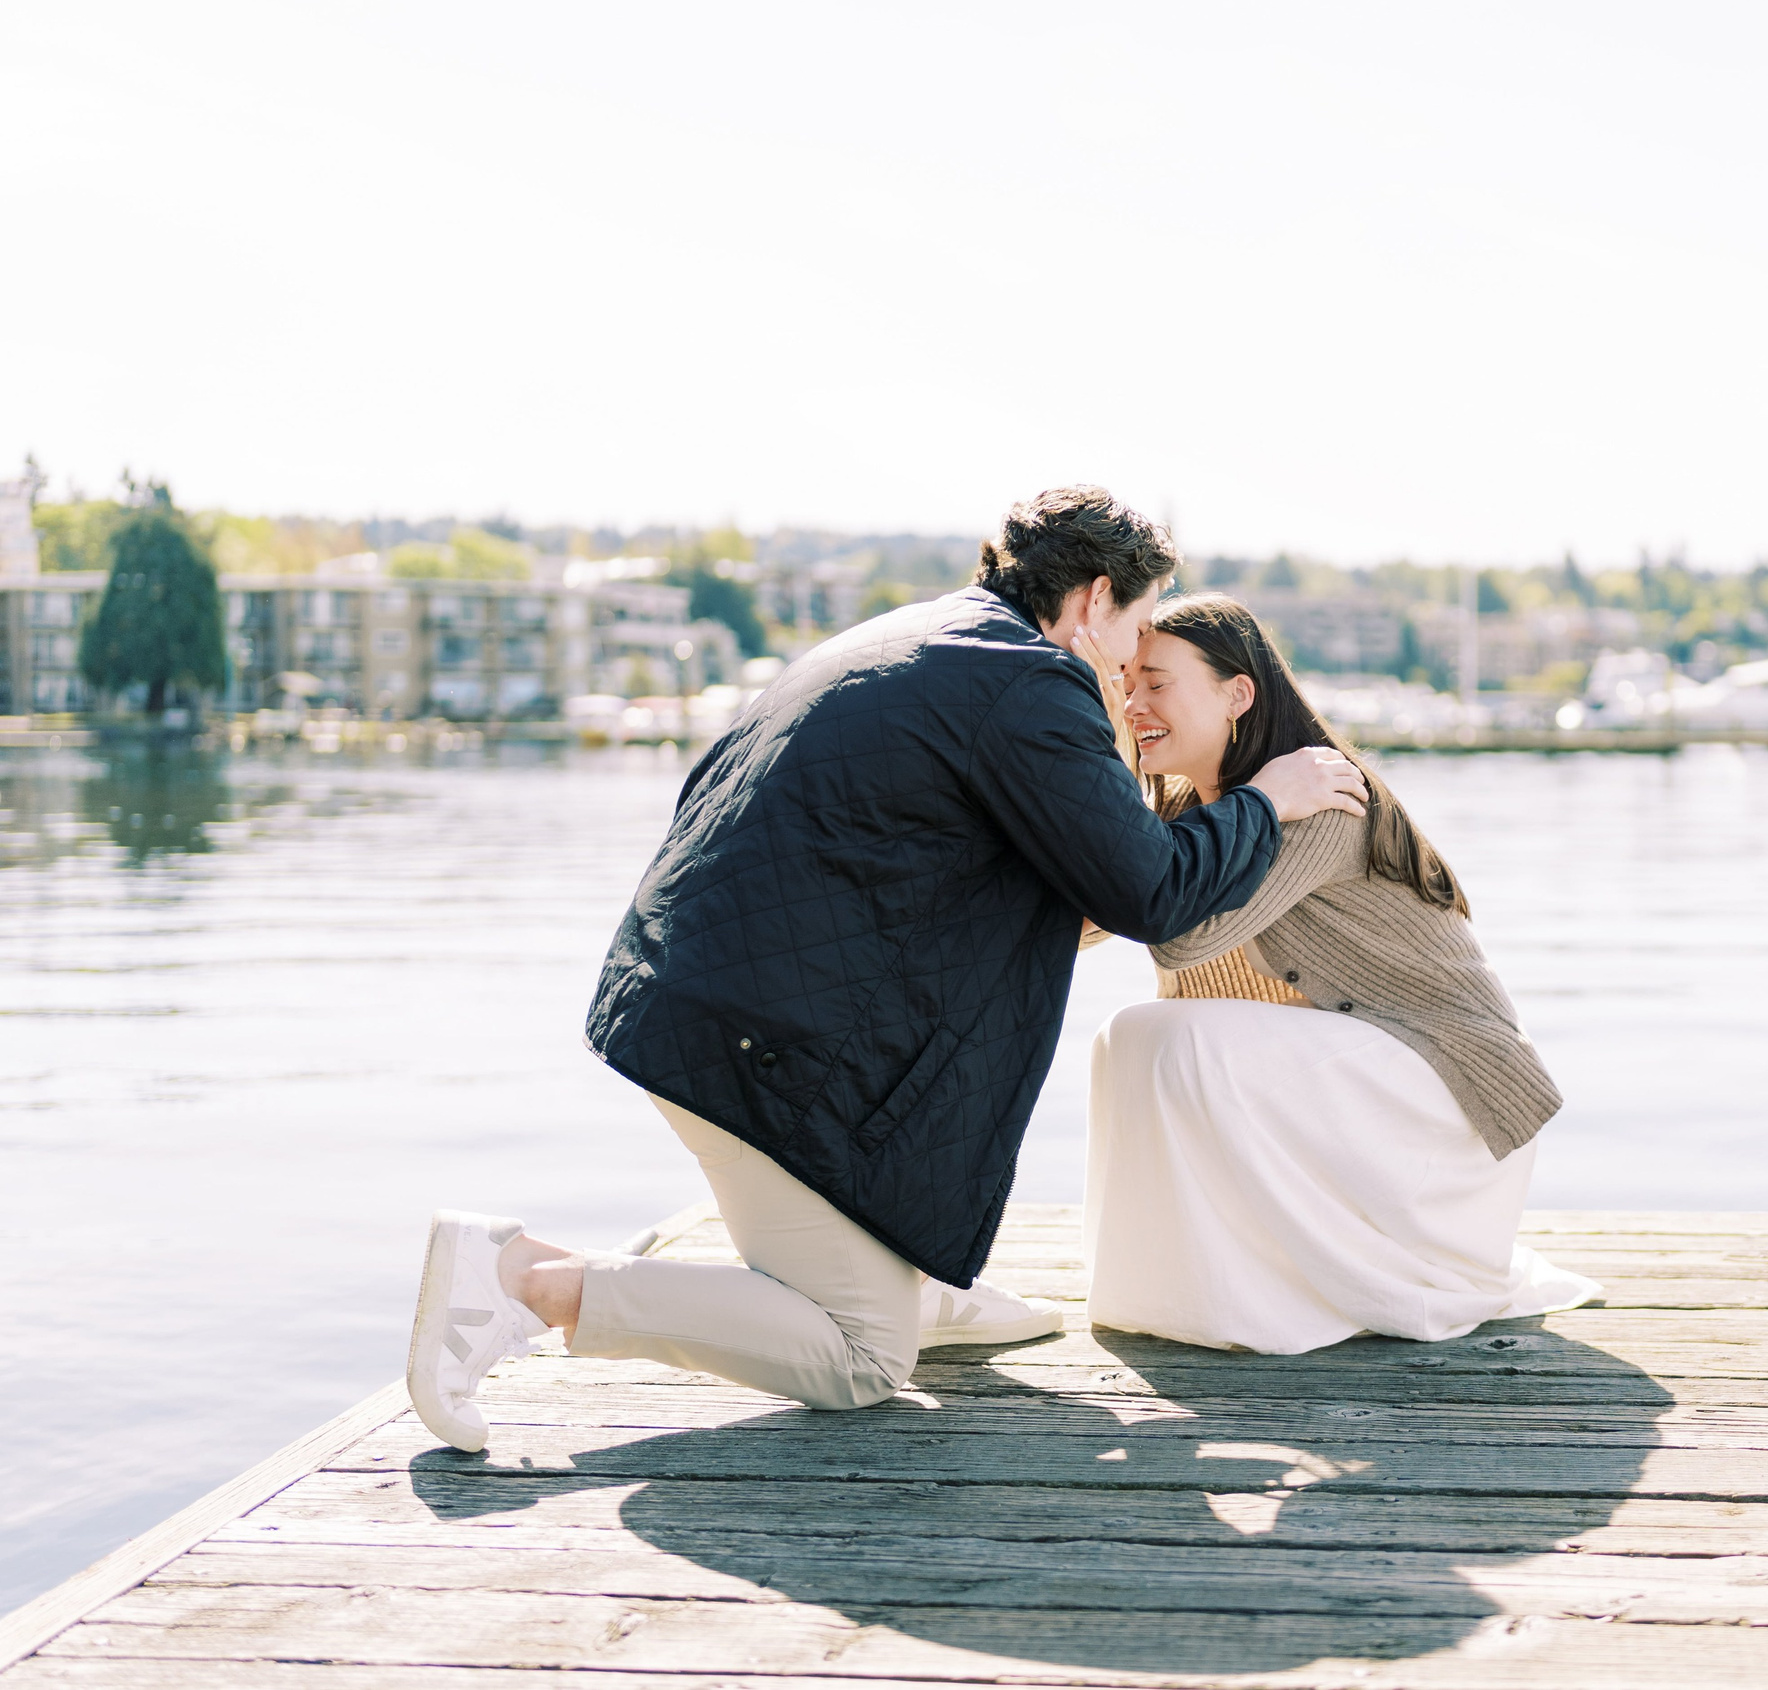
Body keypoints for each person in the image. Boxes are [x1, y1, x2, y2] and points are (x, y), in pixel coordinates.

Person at [405, 488, 1369, 1452]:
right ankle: (524, 1281)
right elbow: (1149, 890)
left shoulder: (924, 637)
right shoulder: (1033, 682)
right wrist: (1269, 799)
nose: (1133, 659)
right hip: (756, 1040)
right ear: (1093, 599)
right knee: (862, 1357)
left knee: (882, 1284)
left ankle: (912, 1284)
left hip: (697, 997)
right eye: (1137, 626)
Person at [1081, 593, 1597, 1353]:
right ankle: (1194, 1293)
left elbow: (1181, 935)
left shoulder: (1320, 796)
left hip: (1446, 1108)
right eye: (1127, 682)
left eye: (1157, 682)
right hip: (1368, 1091)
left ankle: (1265, 1300)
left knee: (1171, 1036)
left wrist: (1259, 800)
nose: (1134, 700)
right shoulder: (1201, 810)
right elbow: (1090, 911)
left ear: (1238, 693)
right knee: (1125, 1040)